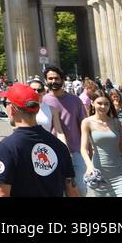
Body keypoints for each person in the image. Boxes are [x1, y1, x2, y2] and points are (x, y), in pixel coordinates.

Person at [0, 83, 78, 197]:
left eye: (5, 104)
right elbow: (72, 190)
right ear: (37, 110)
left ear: (12, 109)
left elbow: (0, 193)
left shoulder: (8, 146)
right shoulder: (60, 146)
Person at [40, 65, 87, 193]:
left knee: (80, 189)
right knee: (57, 189)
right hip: (51, 152)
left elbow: (84, 125)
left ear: (62, 80)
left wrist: (88, 148)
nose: (53, 81)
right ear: (46, 80)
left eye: (56, 78)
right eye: (50, 79)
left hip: (75, 150)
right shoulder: (43, 101)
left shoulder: (75, 100)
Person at [81, 93, 122, 197]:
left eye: (106, 104)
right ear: (93, 103)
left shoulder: (116, 122)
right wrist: (89, 166)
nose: (103, 106)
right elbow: (83, 149)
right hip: (99, 174)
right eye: (99, 103)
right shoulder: (87, 122)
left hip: (119, 174)